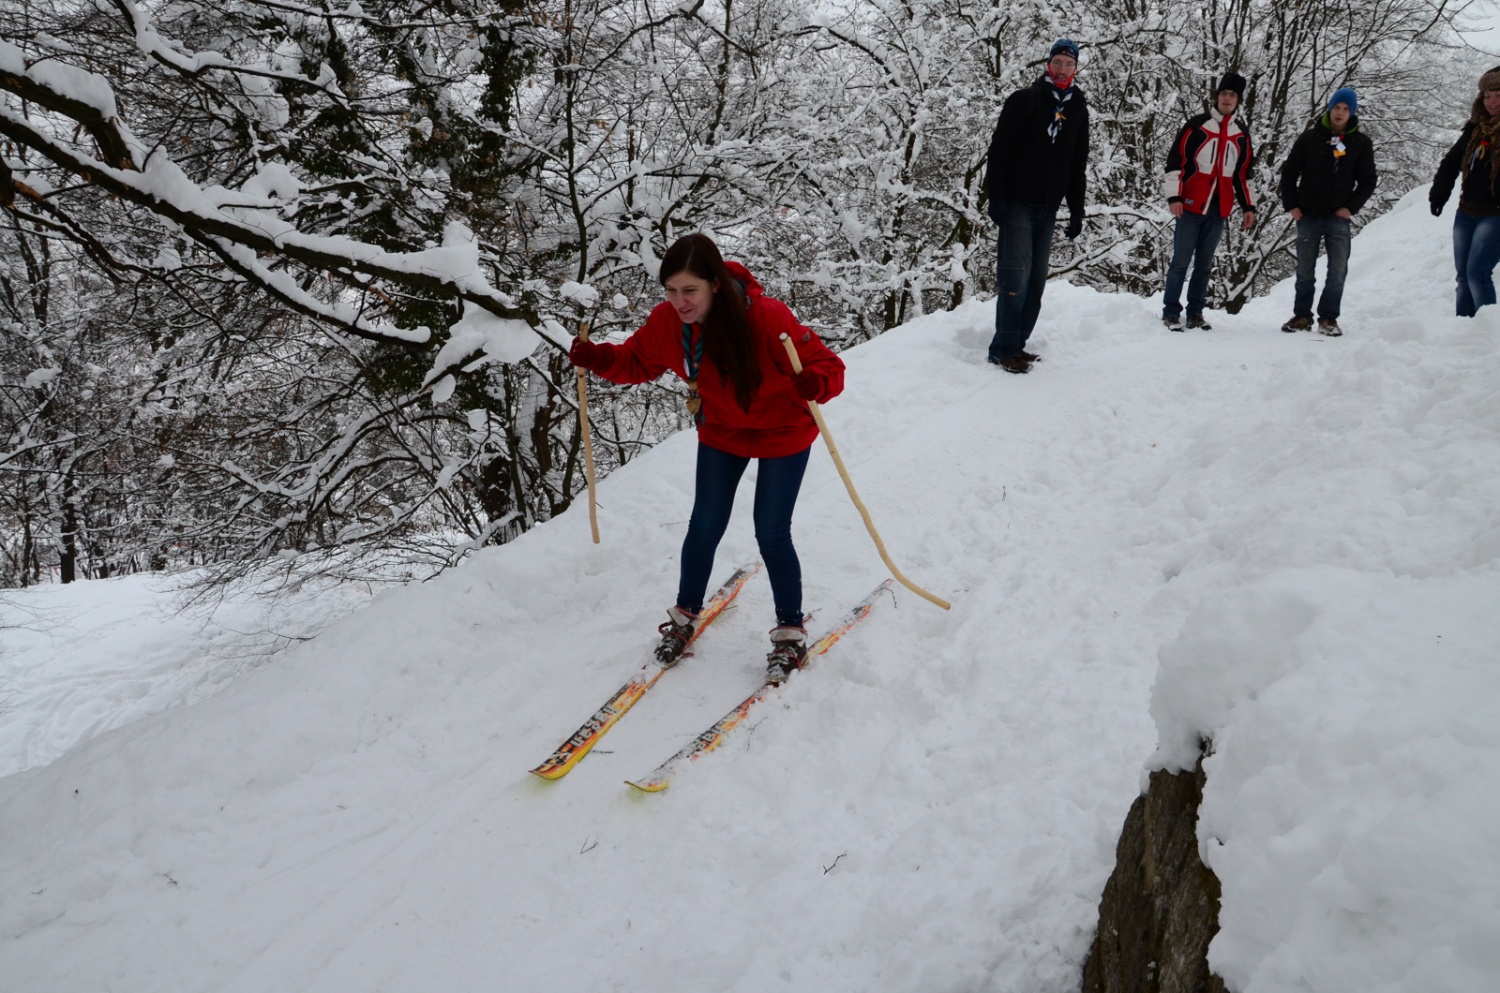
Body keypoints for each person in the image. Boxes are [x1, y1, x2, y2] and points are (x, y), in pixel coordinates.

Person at [567, 233, 845, 685]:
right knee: (705, 523)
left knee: (771, 531)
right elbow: (636, 361)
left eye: (689, 290)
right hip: (722, 430)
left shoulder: (768, 318)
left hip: (783, 430)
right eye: (671, 291)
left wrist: (816, 383)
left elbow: (830, 366)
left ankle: (790, 634)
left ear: (715, 284)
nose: (679, 301)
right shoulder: (668, 323)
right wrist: (599, 358)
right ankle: (683, 617)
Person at [983, 38, 1090, 374]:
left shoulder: (1078, 108)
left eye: (1068, 64)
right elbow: (999, 150)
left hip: (1048, 207)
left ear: (1075, 68)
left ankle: (1018, 344)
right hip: (1017, 202)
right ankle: (1003, 349)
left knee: (1036, 282)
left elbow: (1077, 163)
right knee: (1014, 277)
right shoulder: (1025, 100)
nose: (1061, 69)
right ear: (1048, 64)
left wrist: (1076, 209)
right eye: (1057, 62)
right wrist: (995, 196)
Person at [1277, 87, 1377, 336]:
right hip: (1307, 214)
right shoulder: (1310, 138)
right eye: (1337, 107)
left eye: (1345, 109)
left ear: (1351, 112)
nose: (1340, 113)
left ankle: (1329, 318)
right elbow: (1289, 171)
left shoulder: (1361, 143)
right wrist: (1292, 205)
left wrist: (1350, 207)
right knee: (1304, 270)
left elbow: (1368, 180)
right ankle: (1302, 316)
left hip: (1338, 216)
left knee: (1338, 270)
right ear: (1330, 109)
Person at [1161, 72, 1257, 331]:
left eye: (1232, 95)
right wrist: (1174, 196)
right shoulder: (1197, 125)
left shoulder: (1241, 134)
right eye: (1224, 94)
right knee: (1180, 262)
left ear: (1238, 101)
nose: (1227, 98)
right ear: (1217, 97)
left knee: (1204, 264)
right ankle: (1171, 311)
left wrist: (1249, 206)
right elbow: (1176, 162)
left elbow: (1243, 174)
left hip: (1219, 207)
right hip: (1190, 204)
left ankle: (1195, 312)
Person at [1430, 66, 1500, 316]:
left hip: (1495, 215)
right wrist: (1439, 193)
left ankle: (1487, 335)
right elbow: (1451, 162)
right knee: (1463, 278)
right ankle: (1464, 333)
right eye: (1487, 95)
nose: (1491, 102)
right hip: (1466, 213)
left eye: (1498, 95)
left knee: (1477, 274)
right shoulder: (1475, 129)